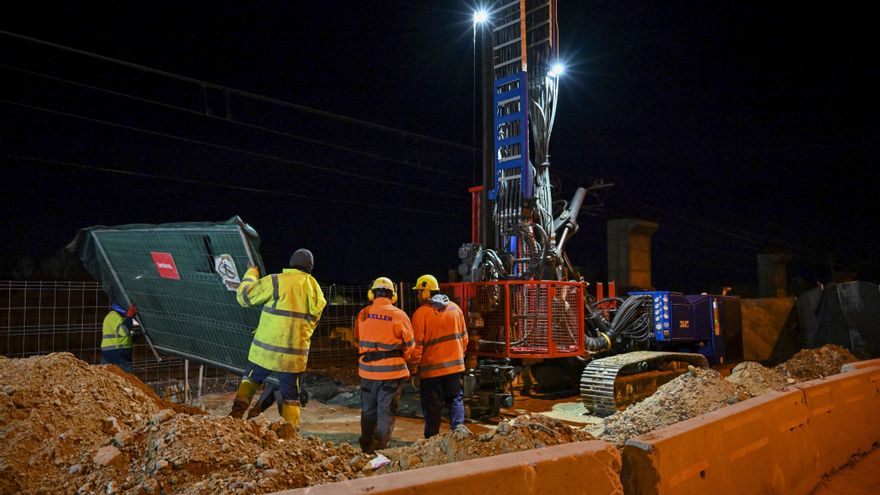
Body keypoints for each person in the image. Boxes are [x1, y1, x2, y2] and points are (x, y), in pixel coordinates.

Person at [229, 248, 326, 428]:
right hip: (294, 357)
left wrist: (251, 273)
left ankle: (234, 420)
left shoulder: (277, 281)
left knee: (250, 380)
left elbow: (243, 297)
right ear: (310, 267)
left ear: (291, 263)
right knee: (291, 396)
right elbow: (311, 325)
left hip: (265, 351)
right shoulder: (317, 291)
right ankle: (291, 433)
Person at [354, 277, 415, 453]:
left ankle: (366, 446)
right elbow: (410, 346)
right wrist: (401, 358)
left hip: (367, 372)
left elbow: (357, 341)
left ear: (372, 294)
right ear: (393, 296)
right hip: (392, 374)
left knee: (368, 410)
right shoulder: (399, 315)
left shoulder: (363, 313)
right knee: (386, 412)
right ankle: (381, 449)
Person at [408, 274, 468, 438]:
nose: (418, 296)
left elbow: (417, 347)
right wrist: (458, 357)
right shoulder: (455, 309)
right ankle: (459, 433)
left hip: (431, 371)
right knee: (456, 399)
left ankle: (431, 439)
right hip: (455, 368)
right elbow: (464, 338)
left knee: (433, 405)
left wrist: (413, 369)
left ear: (426, 292)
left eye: (419, 292)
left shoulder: (421, 314)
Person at [100, 302, 138, 373]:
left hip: (115, 352)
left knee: (109, 376)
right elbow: (124, 331)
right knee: (126, 376)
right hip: (116, 353)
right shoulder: (113, 316)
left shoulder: (116, 317)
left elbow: (120, 336)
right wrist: (129, 316)